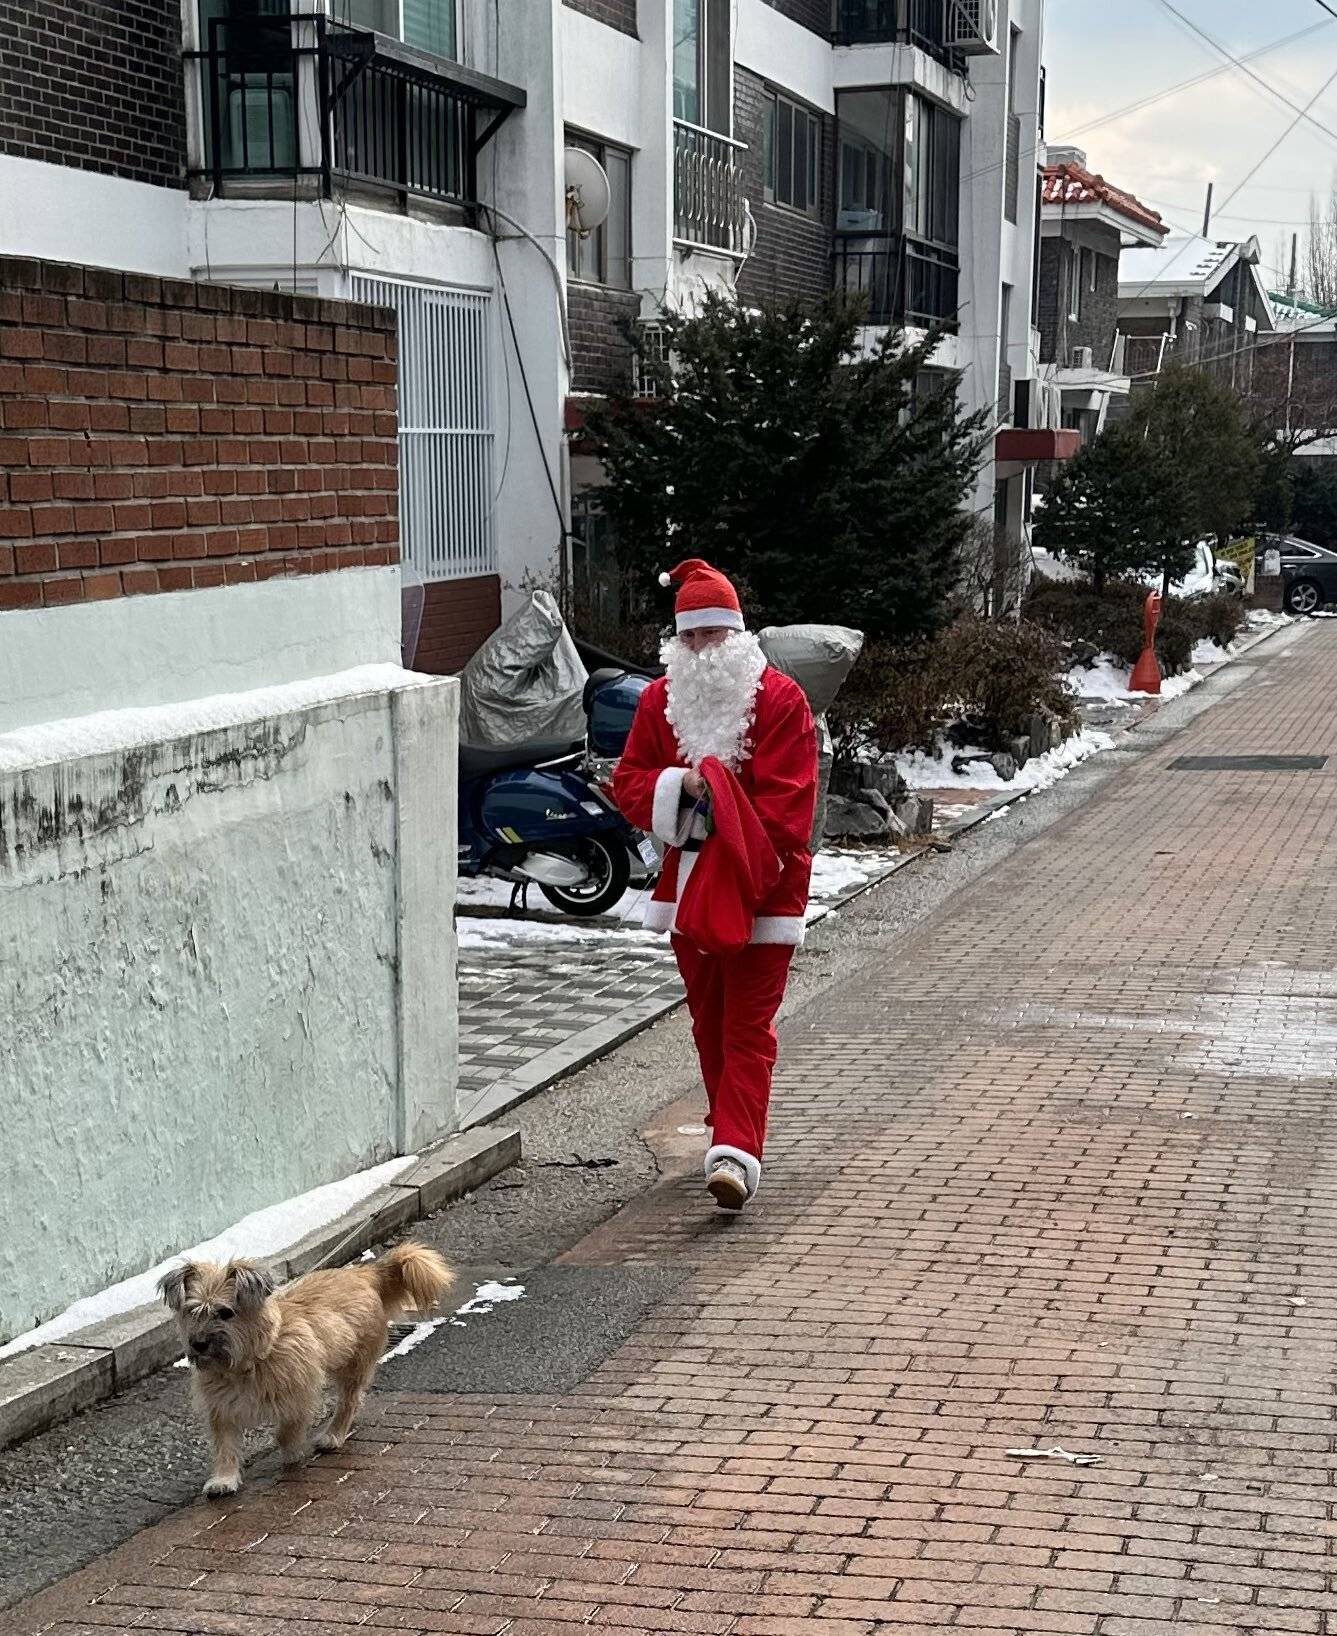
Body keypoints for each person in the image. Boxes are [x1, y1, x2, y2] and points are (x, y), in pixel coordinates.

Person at [612, 559, 818, 1211]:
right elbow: (631, 780)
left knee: (747, 1024)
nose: (702, 650)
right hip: (688, 887)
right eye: (691, 637)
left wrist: (725, 801)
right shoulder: (658, 702)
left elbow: (789, 807)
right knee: (708, 1020)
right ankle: (728, 1127)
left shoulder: (780, 700)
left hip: (764, 887)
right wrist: (683, 787)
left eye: (713, 636)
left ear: (738, 636)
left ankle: (734, 1151)